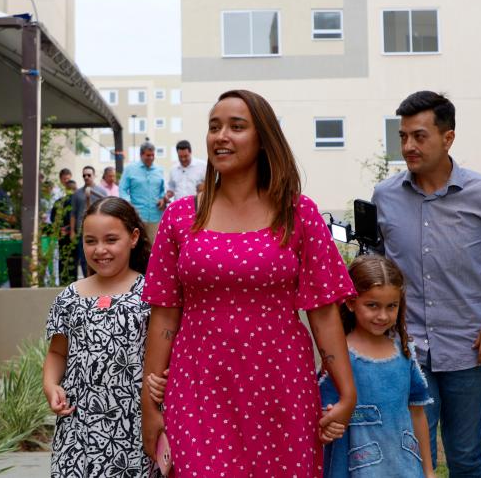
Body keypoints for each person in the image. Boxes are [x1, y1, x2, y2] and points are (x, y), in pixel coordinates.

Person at [140, 89, 358, 477]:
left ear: (263, 140)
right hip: (198, 385)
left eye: (236, 127)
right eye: (214, 127)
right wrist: (149, 402)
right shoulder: (179, 218)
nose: (221, 136)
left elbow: (323, 312)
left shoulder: (298, 213)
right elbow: (165, 315)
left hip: (281, 383)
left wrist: (347, 391)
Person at [372, 91, 481, 477]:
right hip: (406, 348)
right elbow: (376, 267)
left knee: (465, 455)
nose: (409, 146)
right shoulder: (385, 196)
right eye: (403, 137)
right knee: (412, 454)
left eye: (419, 136)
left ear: (448, 138)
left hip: (472, 347)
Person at [43, 197, 158, 477]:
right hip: (78, 429)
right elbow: (58, 352)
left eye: (110, 239)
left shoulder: (153, 293)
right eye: (91, 241)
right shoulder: (69, 297)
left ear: (133, 238)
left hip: (134, 425)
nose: (100, 250)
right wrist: (50, 385)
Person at [320, 255, 436, 478]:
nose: (382, 316)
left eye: (391, 306)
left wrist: (428, 471)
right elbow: (324, 415)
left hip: (405, 467)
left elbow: (417, 413)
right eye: (372, 305)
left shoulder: (404, 353)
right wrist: (326, 426)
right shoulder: (339, 358)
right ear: (351, 302)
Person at [119, 142, 166, 240]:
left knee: (154, 246)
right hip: (137, 216)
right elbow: (122, 189)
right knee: (138, 246)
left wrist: (162, 198)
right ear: (141, 155)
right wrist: (129, 204)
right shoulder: (130, 169)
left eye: (153, 155)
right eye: (148, 155)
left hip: (155, 216)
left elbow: (162, 190)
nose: (151, 158)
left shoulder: (159, 170)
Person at [70, 166, 107, 277]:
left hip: (99, 230)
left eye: (89, 175)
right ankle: (88, 281)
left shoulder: (101, 192)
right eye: (84, 175)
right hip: (82, 230)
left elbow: (106, 211)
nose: (86, 177)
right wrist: (72, 231)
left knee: (99, 256)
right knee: (84, 257)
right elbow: (73, 213)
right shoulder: (77, 194)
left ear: (94, 176)